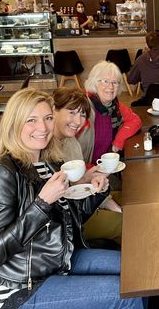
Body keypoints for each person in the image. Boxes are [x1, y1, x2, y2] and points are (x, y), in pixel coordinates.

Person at [0, 88, 143, 309]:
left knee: (139, 271)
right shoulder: (0, 173)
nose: (43, 128)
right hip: (18, 287)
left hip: (56, 259)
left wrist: (98, 190)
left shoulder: (48, 164)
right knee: (126, 295)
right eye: (31, 120)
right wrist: (42, 203)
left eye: (47, 118)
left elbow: (73, 219)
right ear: (14, 124)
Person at [53, 87, 122, 245]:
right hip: (69, 220)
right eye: (71, 112)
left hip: (82, 204)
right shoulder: (45, 148)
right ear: (54, 110)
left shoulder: (71, 143)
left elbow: (76, 185)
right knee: (124, 223)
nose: (78, 121)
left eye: (82, 114)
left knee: (130, 199)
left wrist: (87, 178)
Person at [76, 61, 142, 164]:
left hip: (106, 165)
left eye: (115, 82)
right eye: (105, 81)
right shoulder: (82, 108)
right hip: (83, 169)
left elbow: (135, 120)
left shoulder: (114, 106)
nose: (111, 87)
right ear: (94, 82)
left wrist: (118, 141)